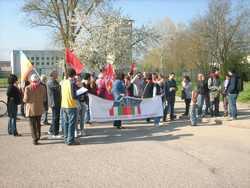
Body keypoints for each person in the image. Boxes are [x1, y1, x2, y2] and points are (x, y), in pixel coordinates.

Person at [23, 74, 47, 145]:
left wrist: (23, 98)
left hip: (31, 109)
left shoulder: (28, 88)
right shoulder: (43, 87)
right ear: (38, 80)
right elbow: (45, 99)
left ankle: (35, 139)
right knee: (38, 124)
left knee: (32, 125)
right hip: (39, 108)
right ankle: (38, 136)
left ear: (31, 80)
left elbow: (25, 100)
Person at [61, 68, 79, 145]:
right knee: (72, 124)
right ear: (74, 75)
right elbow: (74, 96)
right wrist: (79, 94)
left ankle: (66, 138)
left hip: (64, 105)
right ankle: (70, 140)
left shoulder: (63, 82)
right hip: (71, 105)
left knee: (65, 123)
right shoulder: (72, 83)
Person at [47, 71, 61, 137]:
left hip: (56, 102)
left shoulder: (54, 81)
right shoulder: (51, 82)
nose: (57, 75)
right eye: (56, 74)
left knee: (55, 117)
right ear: (52, 75)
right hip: (54, 102)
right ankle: (55, 133)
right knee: (56, 118)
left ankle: (51, 130)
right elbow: (58, 88)